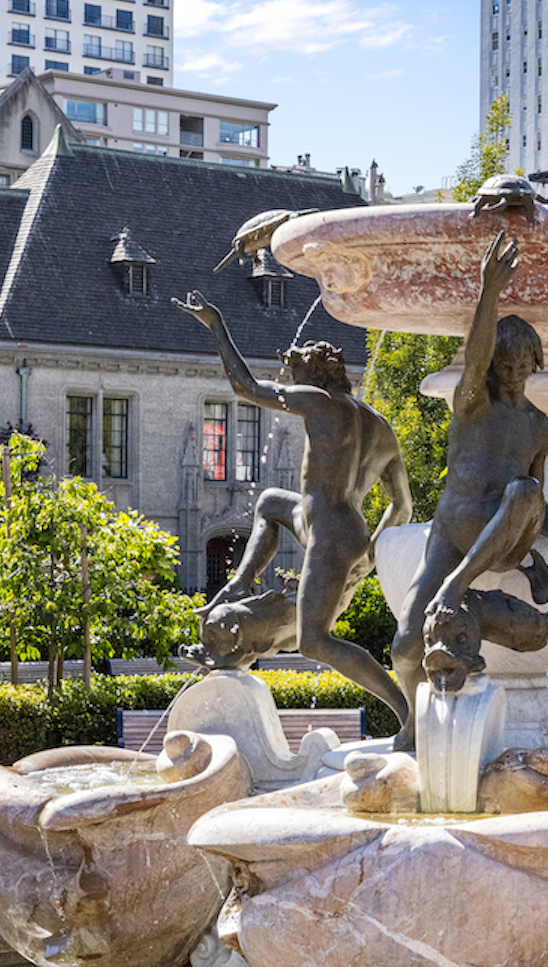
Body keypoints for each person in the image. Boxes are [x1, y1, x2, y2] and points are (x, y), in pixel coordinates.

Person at [173, 290, 410, 725]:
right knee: (270, 502)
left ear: (314, 374)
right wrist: (371, 554)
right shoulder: (381, 427)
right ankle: (239, 584)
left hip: (329, 533)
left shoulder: (316, 402)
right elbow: (402, 508)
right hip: (343, 527)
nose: (290, 379)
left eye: (295, 371)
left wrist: (217, 324)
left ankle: (404, 709)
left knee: (314, 641)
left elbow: (244, 387)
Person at [388, 235, 548, 737]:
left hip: (504, 543)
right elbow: (471, 360)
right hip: (452, 535)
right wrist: (489, 289)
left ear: (536, 364)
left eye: (522, 368)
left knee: (523, 492)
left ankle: (458, 585)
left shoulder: (539, 423)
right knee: (405, 646)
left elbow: (534, 502)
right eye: (505, 367)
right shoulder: (472, 404)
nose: (513, 376)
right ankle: (413, 726)